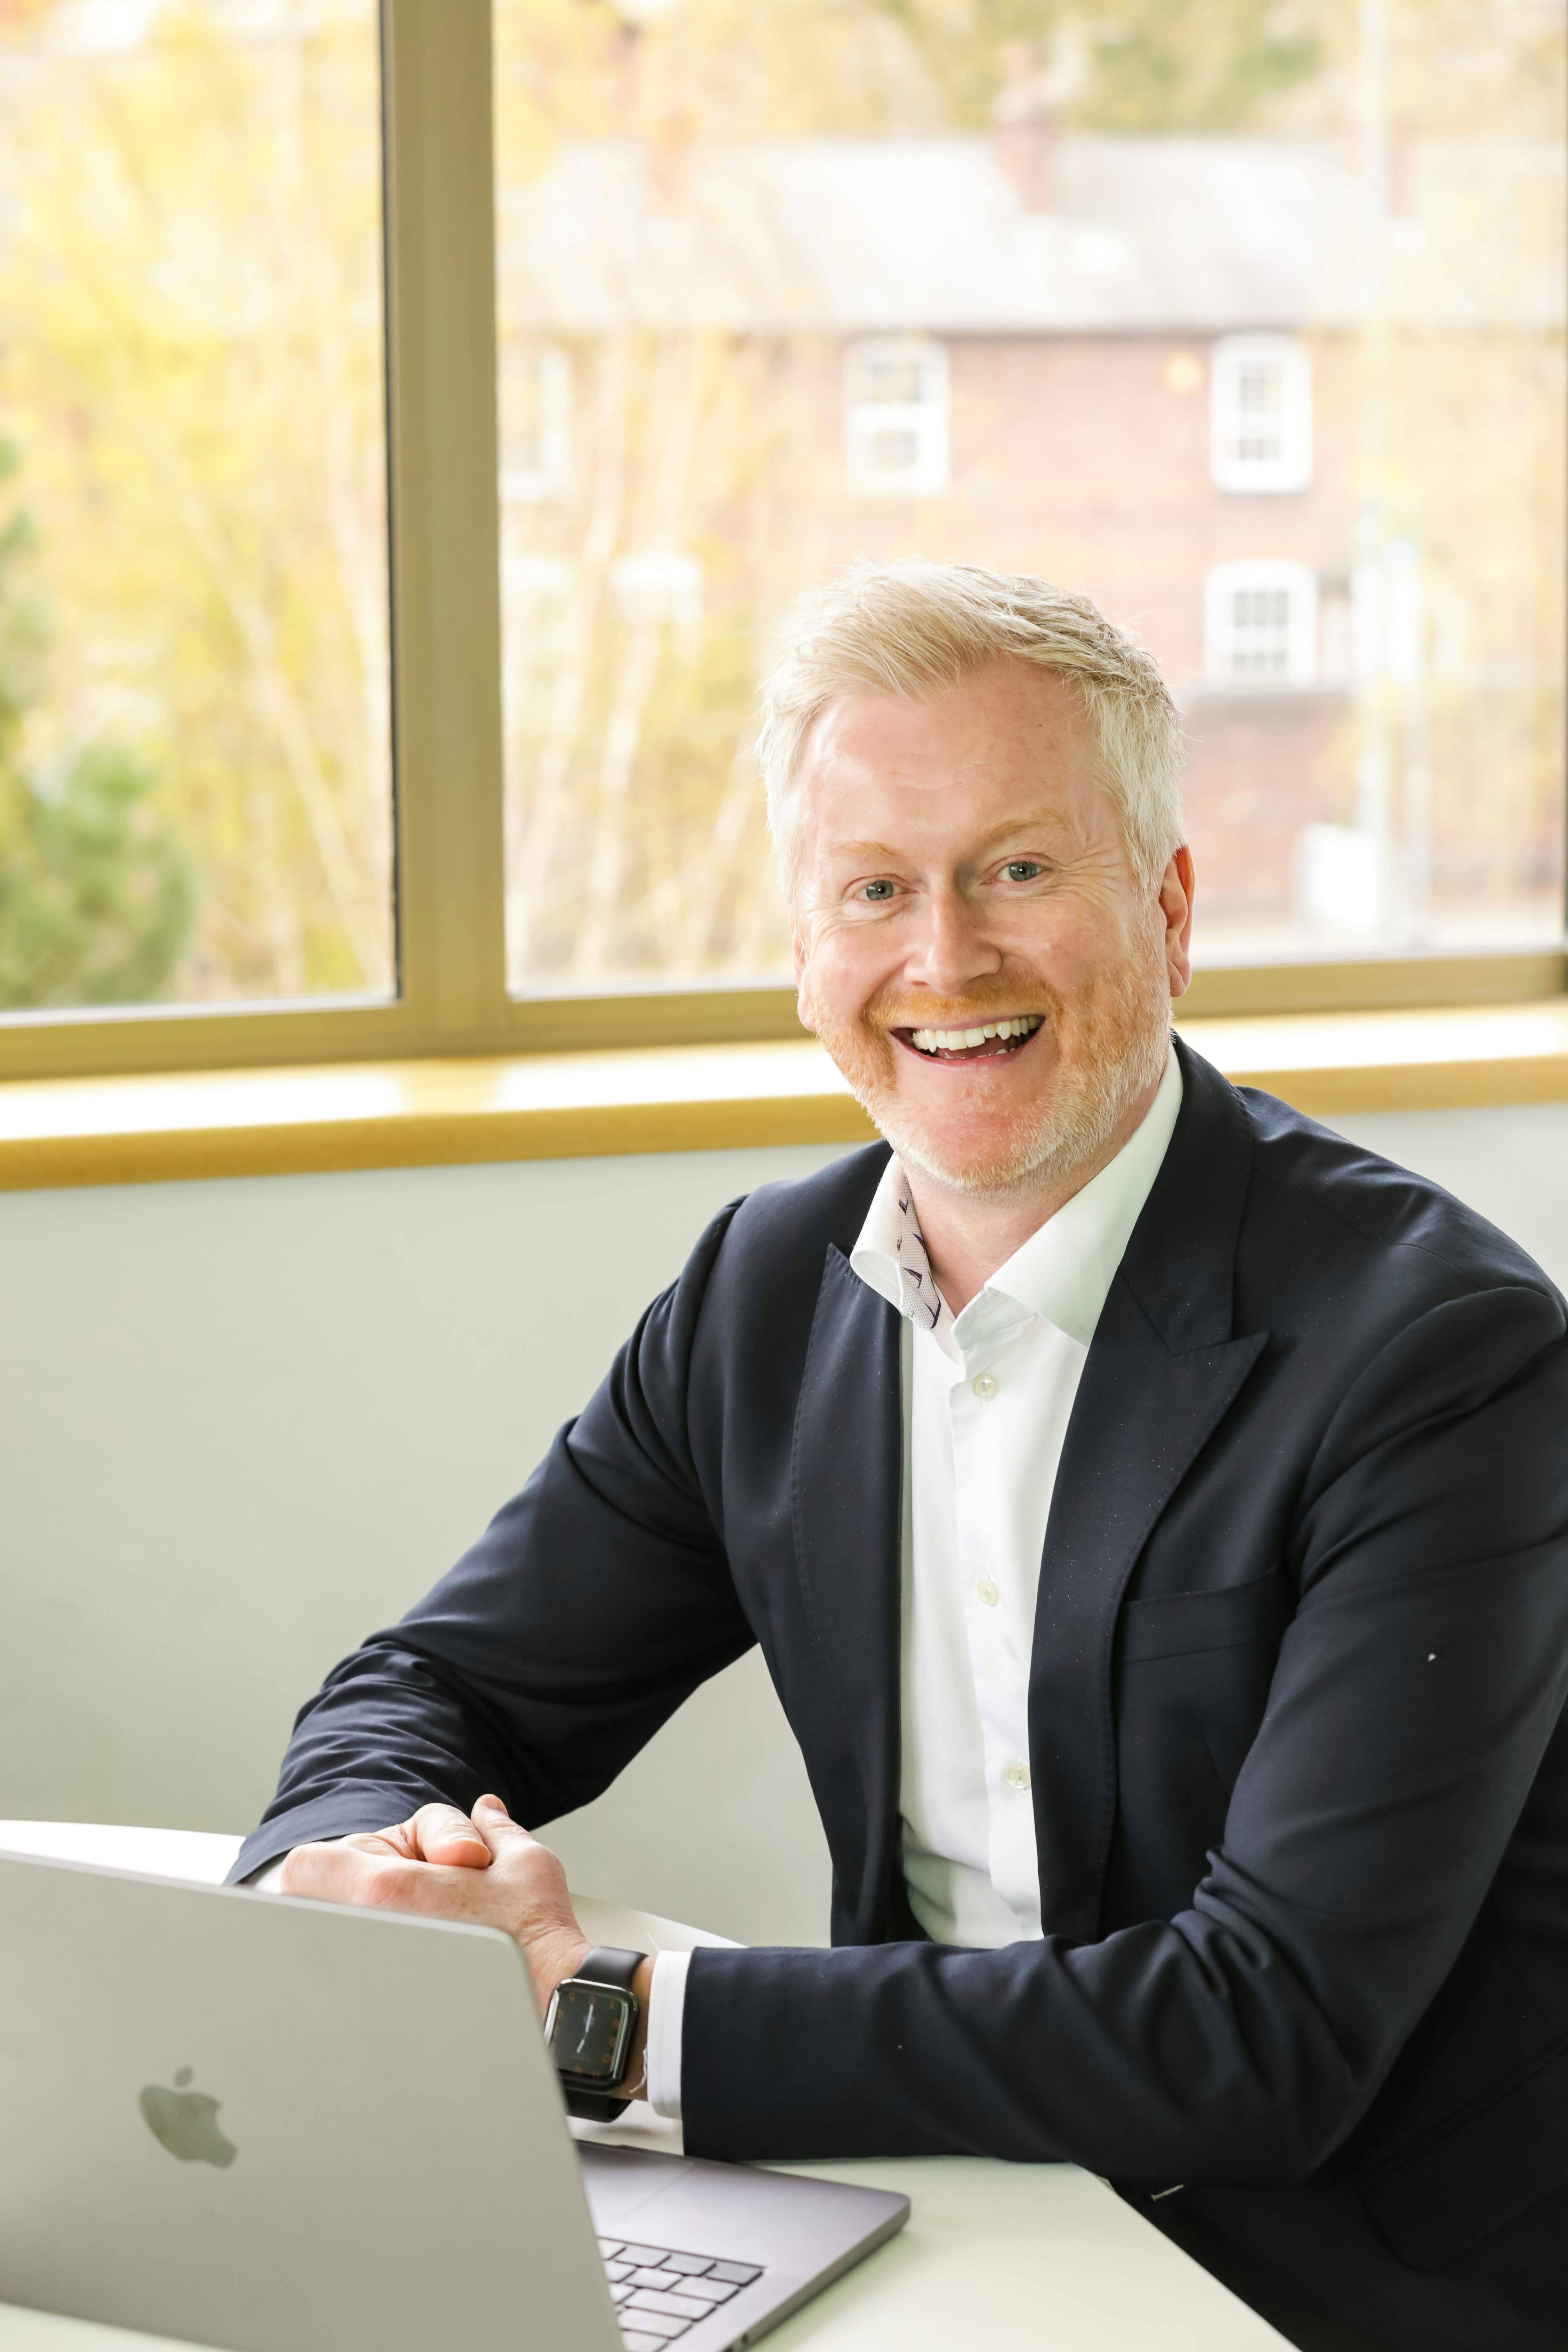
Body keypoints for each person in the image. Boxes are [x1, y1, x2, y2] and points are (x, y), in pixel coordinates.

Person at [234, 564, 1568, 2352]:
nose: (944, 959)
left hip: (1347, 2270)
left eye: (1020, 869)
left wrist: (600, 2017)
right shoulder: (761, 1298)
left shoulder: (1442, 1353)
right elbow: (435, 1684)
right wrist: (356, 1881)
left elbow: (1267, 2035)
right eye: (874, 888)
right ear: (804, 952)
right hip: (938, 2203)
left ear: (1168, 914)